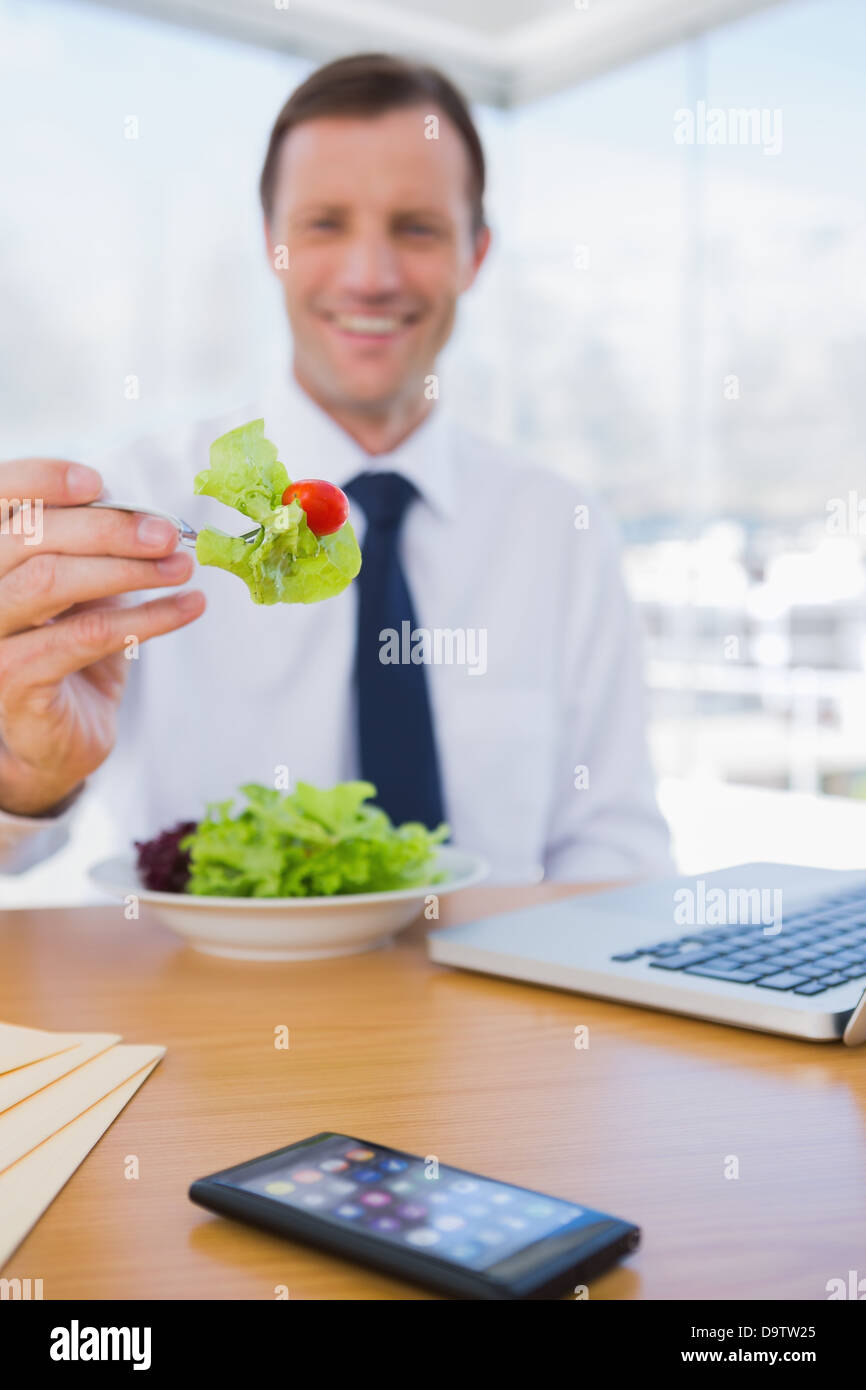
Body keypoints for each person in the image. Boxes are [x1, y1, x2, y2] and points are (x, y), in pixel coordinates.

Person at [0, 53, 670, 885]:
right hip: (203, 1009)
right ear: (273, 247)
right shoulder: (131, 516)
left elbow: (618, 849)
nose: (370, 277)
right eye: (325, 224)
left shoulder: (560, 531)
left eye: (417, 227)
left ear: (476, 253)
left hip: (499, 1012)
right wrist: (29, 779)